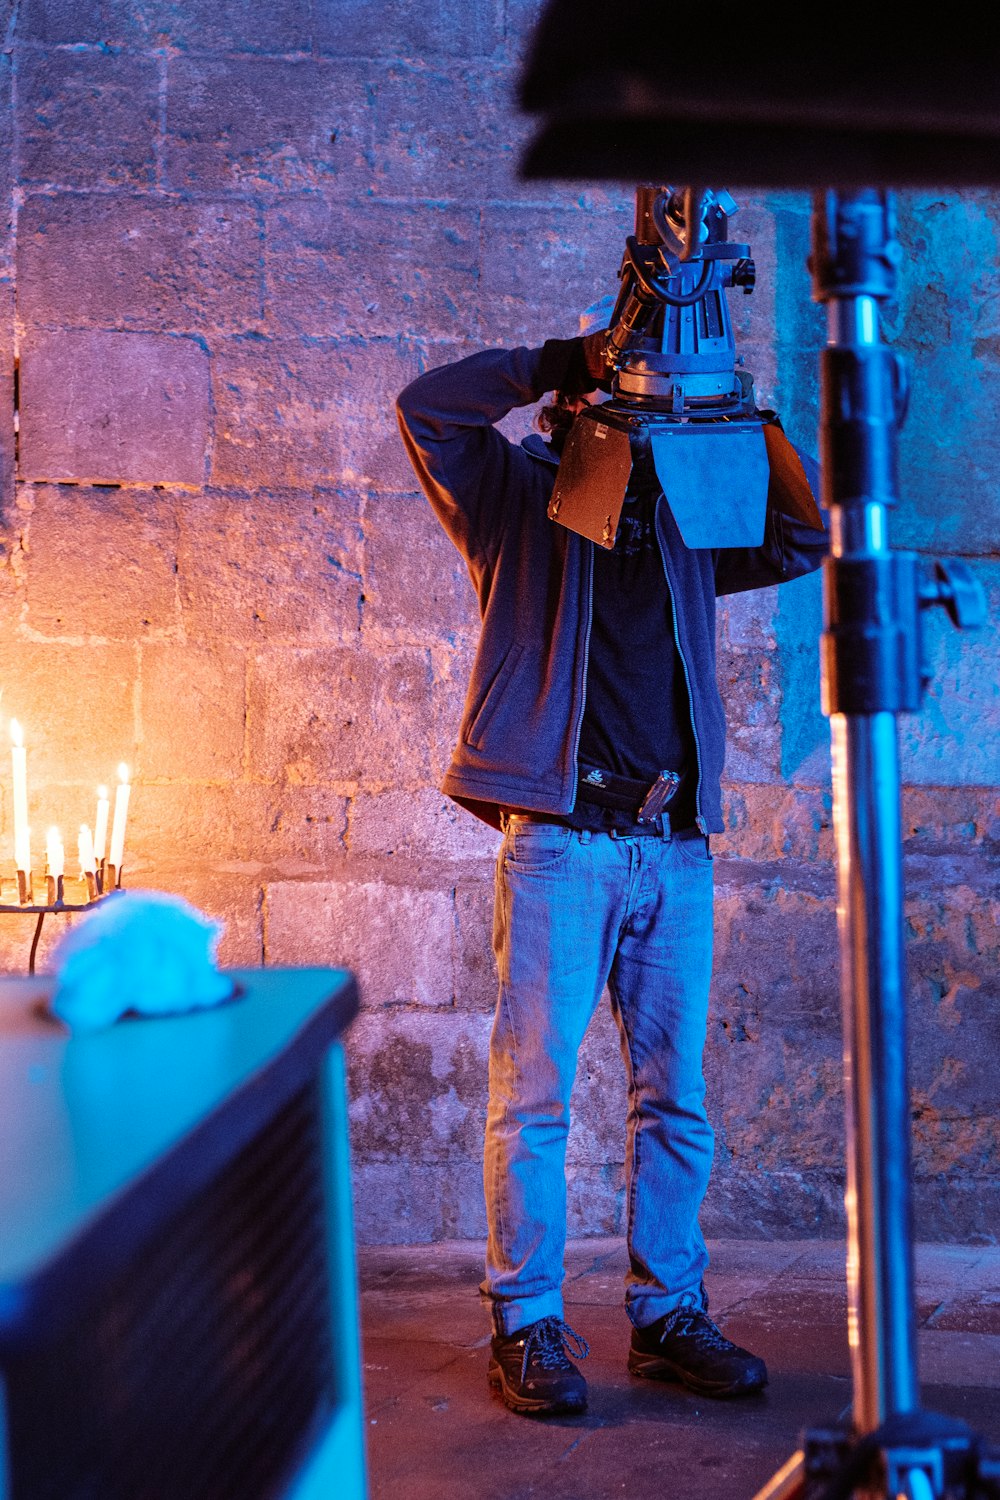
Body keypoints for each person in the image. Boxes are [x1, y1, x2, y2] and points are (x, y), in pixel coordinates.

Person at [395, 308, 827, 1417]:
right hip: (562, 849)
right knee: (532, 1097)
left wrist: (731, 408)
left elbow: (803, 533)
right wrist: (563, 359)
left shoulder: (694, 520)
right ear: (578, 409)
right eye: (622, 395)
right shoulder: (515, 502)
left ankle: (666, 1313)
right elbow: (428, 408)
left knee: (674, 1101)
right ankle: (526, 1322)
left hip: (671, 845)